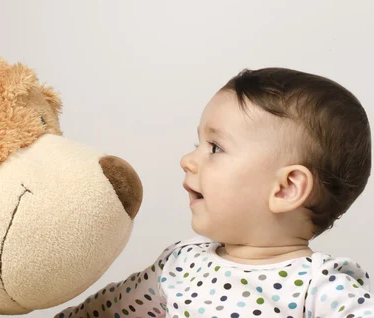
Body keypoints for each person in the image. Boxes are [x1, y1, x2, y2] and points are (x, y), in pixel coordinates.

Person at [55, 68, 373, 318]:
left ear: (286, 188)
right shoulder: (182, 264)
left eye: (215, 148)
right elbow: (101, 312)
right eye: (199, 145)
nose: (187, 161)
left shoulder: (322, 288)